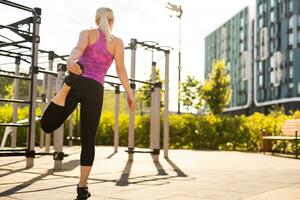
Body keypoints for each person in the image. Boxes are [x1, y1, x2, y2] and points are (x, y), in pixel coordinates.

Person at [41, 7, 136, 200]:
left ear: (96, 20)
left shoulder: (86, 33)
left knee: (47, 125)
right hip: (95, 89)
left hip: (77, 80)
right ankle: (82, 186)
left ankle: (65, 88)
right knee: (88, 140)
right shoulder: (117, 42)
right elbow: (121, 70)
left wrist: (70, 61)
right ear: (112, 22)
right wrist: (129, 93)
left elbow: (77, 50)